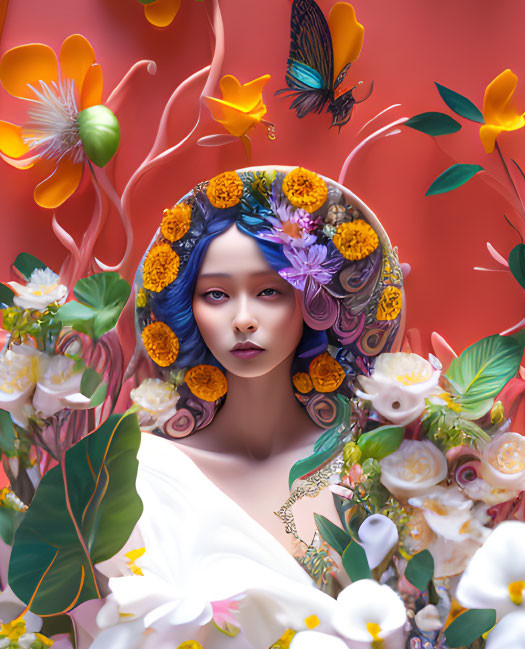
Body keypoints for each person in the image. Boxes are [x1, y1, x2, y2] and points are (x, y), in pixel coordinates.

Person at [130, 165, 405, 566]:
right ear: (188, 305)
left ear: (311, 300)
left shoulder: (366, 468)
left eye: (269, 291)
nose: (243, 319)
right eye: (217, 294)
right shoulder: (149, 469)